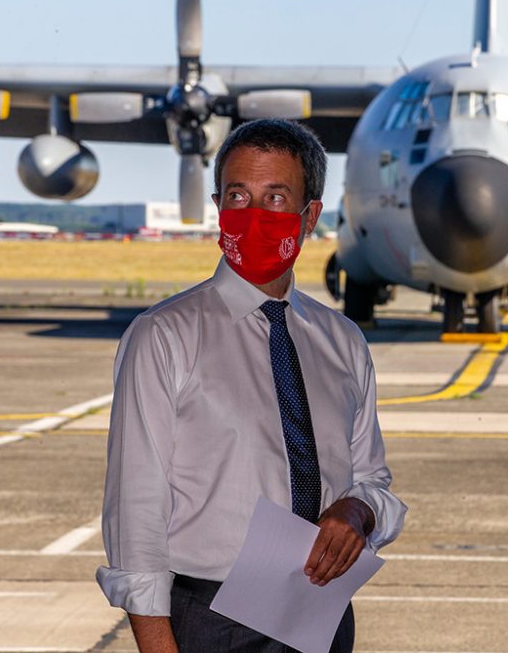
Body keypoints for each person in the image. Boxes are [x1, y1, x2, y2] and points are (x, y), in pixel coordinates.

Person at [96, 118, 407, 653]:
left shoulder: (342, 341)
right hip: (211, 621)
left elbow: (372, 480)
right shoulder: (164, 335)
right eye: (238, 196)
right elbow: (136, 510)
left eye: (275, 197)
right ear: (218, 205)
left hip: (322, 615)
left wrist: (358, 511)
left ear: (309, 216)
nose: (253, 216)